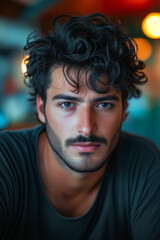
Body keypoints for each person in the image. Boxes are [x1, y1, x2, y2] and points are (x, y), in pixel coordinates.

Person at [0, 13, 160, 240]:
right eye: (67, 104)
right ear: (42, 108)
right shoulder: (6, 161)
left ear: (124, 109)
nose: (86, 128)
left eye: (104, 104)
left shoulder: (143, 164)